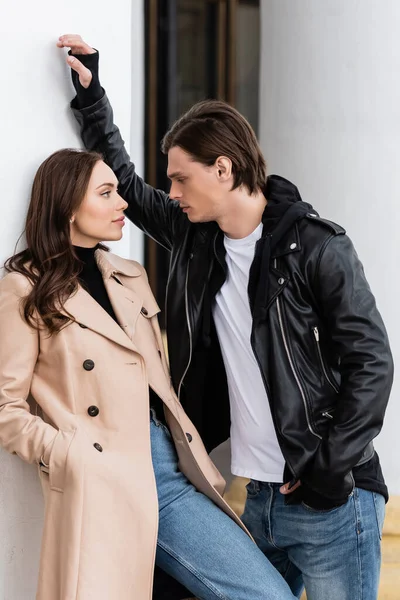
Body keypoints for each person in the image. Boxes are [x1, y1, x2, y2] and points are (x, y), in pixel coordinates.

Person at [58, 34, 394, 600]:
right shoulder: (197, 240)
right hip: (257, 497)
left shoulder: (317, 247)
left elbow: (372, 365)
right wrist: (93, 99)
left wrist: (329, 471)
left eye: (182, 178)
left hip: (333, 499)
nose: (173, 191)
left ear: (223, 168)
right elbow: (131, 189)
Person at [0, 149, 297, 600]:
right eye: (106, 194)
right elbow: (6, 406)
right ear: (67, 206)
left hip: (165, 469)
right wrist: (67, 454)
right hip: (103, 479)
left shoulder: (128, 275)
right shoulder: (24, 287)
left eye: (118, 191)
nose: (122, 204)